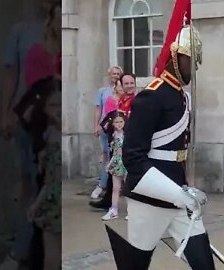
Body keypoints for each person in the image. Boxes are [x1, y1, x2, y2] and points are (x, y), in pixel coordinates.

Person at [113, 24, 216, 269]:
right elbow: (133, 158)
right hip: (149, 200)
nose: (194, 67)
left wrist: (185, 190)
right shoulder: (152, 96)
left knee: (204, 263)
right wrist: (177, 194)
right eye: (190, 60)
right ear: (176, 57)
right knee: (135, 265)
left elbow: (177, 153)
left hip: (178, 199)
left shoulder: (180, 96)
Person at [0, 1, 58, 269]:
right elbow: (11, 74)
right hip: (29, 122)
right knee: (31, 187)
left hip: (55, 122)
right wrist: (5, 113)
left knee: (48, 189)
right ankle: (21, 251)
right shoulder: (21, 31)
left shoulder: (60, 31)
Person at [27, 86, 62, 270]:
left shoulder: (53, 138)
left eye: (61, 105)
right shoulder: (48, 137)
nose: (58, 109)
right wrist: (37, 203)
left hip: (56, 201)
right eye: (53, 105)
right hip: (53, 200)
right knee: (52, 256)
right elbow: (50, 179)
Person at [90, 66, 123, 200]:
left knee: (117, 157)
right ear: (109, 75)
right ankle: (102, 184)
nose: (115, 76)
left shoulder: (122, 90)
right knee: (106, 156)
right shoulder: (103, 91)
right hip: (105, 128)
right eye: (113, 73)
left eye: (117, 74)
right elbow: (98, 109)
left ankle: (117, 186)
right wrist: (96, 125)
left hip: (119, 129)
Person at [101, 111, 128, 221]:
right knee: (116, 188)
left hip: (126, 162)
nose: (119, 124)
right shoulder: (113, 135)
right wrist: (110, 163)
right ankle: (113, 210)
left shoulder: (127, 135)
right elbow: (116, 152)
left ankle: (131, 210)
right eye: (116, 122)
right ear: (112, 123)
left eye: (121, 121)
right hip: (117, 162)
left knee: (127, 188)